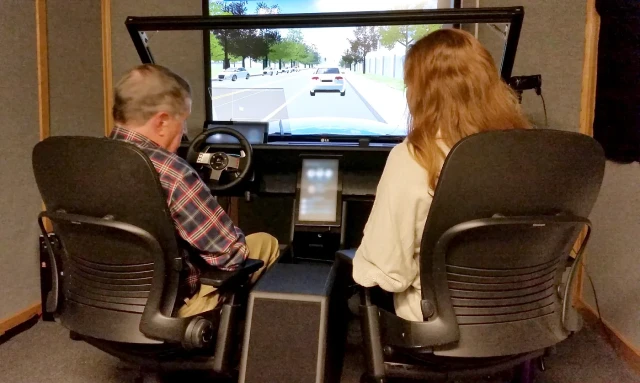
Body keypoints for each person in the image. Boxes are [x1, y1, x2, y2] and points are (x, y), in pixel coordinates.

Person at [352, 29, 531, 321]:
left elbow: (387, 271)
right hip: (524, 316)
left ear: (421, 93)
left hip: (441, 327)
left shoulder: (414, 157)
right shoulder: (526, 151)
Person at [109, 64, 280, 318]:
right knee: (266, 243)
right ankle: (233, 336)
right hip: (169, 308)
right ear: (163, 122)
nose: (185, 133)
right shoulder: (172, 172)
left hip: (107, 300)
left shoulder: (90, 160)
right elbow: (230, 256)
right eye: (183, 122)